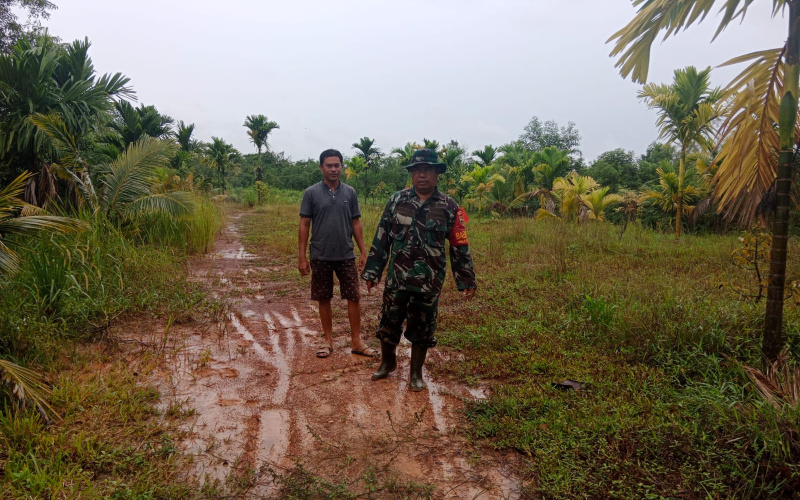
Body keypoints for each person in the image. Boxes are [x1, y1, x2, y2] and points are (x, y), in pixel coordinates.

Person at [361, 148, 476, 391]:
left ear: (437, 174)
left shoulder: (450, 206)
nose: (422, 175)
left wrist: (465, 279)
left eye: (428, 170)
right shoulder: (396, 200)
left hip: (429, 281)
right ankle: (387, 363)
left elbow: (459, 244)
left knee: (423, 327)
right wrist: (373, 271)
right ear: (412, 174)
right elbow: (382, 237)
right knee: (389, 322)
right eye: (417, 170)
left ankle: (416, 374)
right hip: (397, 278)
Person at [299, 149, 378, 358]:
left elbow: (356, 223)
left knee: (354, 297)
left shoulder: (350, 193)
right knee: (323, 298)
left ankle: (356, 341)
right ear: (321, 167)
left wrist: (363, 251)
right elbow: (305, 224)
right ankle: (327, 340)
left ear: (341, 167)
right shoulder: (311, 193)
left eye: (337, 165)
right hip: (320, 254)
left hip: (345, 254)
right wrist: (301, 257)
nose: (333, 169)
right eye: (329, 165)